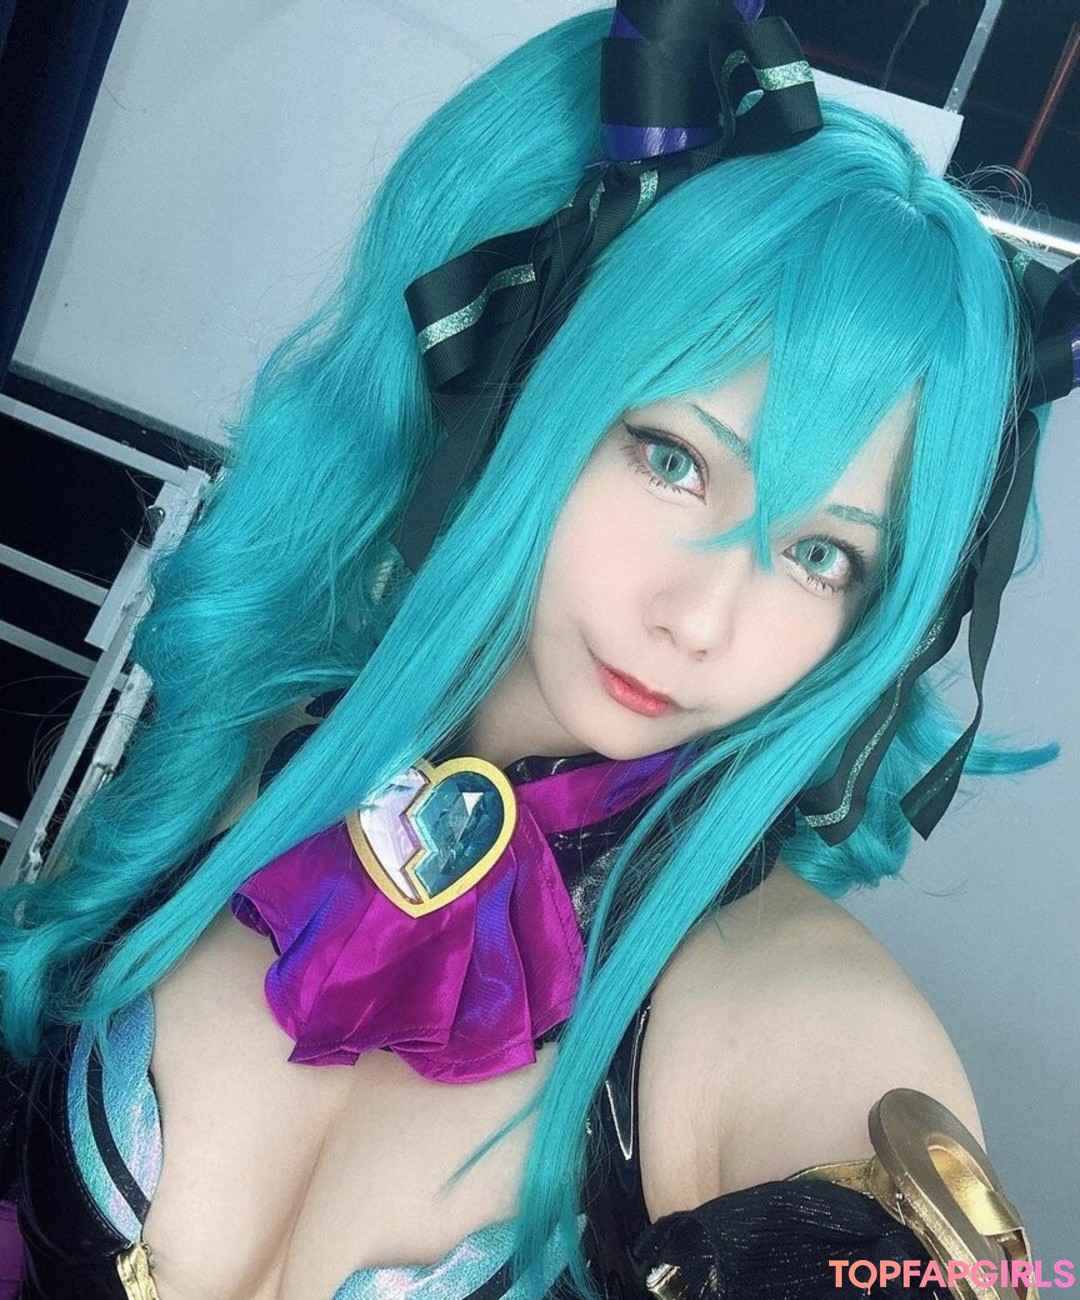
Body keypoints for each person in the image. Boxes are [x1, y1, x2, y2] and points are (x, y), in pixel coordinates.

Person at [0, 2, 1076, 1297]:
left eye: (820, 555)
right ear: (517, 390)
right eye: (674, 461)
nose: (702, 620)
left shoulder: (791, 1022)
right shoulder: (248, 762)